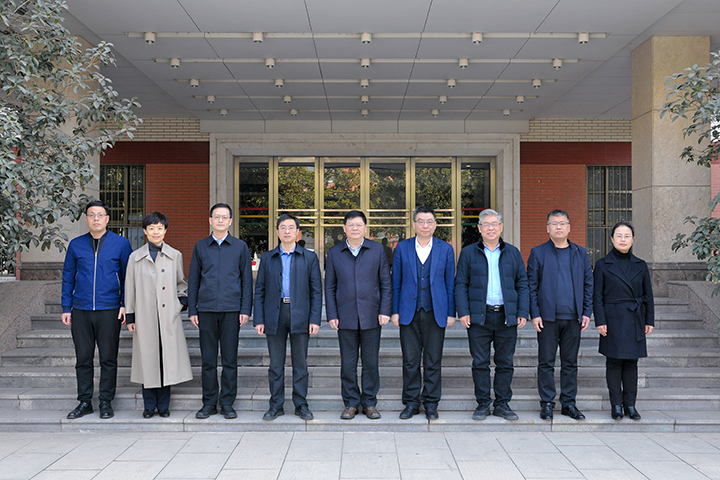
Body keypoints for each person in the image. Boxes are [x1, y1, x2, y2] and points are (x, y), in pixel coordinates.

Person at [61, 200, 133, 420]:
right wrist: (66, 307)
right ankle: (84, 402)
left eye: (100, 215)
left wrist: (124, 304)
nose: (96, 219)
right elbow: (68, 276)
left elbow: (127, 277)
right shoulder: (76, 245)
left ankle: (105, 402)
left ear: (107, 219)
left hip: (109, 309)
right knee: (83, 358)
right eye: (92, 215)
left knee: (108, 359)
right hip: (81, 309)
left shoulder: (121, 244)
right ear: (86, 219)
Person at [455, 208, 529, 421]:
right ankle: (483, 404)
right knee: (480, 363)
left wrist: (522, 311)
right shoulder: (468, 253)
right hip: (479, 316)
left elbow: (522, 283)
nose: (490, 228)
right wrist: (463, 311)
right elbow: (461, 284)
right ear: (479, 228)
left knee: (505, 362)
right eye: (486, 224)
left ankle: (502, 404)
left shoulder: (512, 252)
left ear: (501, 227)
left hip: (506, 316)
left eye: (494, 224)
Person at [253, 214, 322, 421]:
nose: (287, 231)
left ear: (297, 232)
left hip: (300, 313)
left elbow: (316, 291)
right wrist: (259, 319)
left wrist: (315, 319)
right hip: (275, 314)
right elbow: (260, 290)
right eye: (283, 227)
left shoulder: (309, 257)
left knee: (300, 364)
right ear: (277, 232)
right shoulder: (268, 258)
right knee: (276, 364)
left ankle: (301, 404)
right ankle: (276, 405)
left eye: (291, 227)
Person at [124, 212, 192, 419]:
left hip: (168, 316)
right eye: (151, 228)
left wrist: (179, 304)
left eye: (159, 228)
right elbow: (130, 288)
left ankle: (163, 405)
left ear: (165, 231)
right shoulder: (135, 257)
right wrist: (130, 316)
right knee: (147, 359)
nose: (156, 232)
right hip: (144, 317)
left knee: (166, 359)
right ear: (145, 231)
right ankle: (148, 405)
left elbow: (182, 283)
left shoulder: (175, 255)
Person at [188, 203, 253, 420]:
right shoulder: (200, 246)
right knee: (208, 360)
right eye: (217, 217)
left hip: (232, 310)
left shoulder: (240, 247)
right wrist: (192, 309)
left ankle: (226, 403)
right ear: (210, 220)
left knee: (229, 359)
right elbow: (194, 279)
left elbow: (246, 280)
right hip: (206, 310)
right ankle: (208, 403)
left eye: (225, 217)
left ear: (231, 221)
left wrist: (245, 309)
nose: (221, 220)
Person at [325, 210, 392, 420]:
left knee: (371, 363)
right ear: (344, 228)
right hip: (345, 316)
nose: (355, 228)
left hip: (372, 314)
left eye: (359, 224)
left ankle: (369, 403)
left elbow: (386, 283)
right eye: (351, 224)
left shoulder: (377, 250)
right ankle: (351, 403)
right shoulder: (334, 252)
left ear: (365, 228)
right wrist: (332, 314)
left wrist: (385, 310)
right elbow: (330, 286)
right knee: (348, 364)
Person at [527, 209, 593, 421]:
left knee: (570, 363)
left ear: (569, 227)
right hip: (547, 318)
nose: (558, 227)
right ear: (547, 228)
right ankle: (547, 403)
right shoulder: (538, 253)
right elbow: (531, 286)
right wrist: (534, 313)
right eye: (554, 223)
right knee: (546, 362)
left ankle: (568, 403)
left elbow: (588, 284)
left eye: (562, 223)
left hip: (573, 318)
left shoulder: (580, 253)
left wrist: (586, 312)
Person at [391, 206, 455, 420]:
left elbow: (450, 283)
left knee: (433, 360)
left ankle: (431, 403)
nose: (425, 225)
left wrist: (451, 312)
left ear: (435, 225)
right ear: (414, 224)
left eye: (429, 221)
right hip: (408, 312)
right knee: (410, 360)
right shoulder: (402, 247)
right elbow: (396, 281)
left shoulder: (446, 249)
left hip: (436, 312)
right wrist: (394, 311)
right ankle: (411, 402)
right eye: (421, 221)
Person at [594, 222, 654, 420]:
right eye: (618, 235)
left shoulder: (641, 265)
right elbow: (597, 296)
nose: (623, 239)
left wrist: (649, 320)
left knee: (631, 362)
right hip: (612, 319)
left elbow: (648, 295)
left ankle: (630, 405)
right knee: (613, 362)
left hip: (635, 318)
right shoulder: (602, 264)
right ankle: (616, 405)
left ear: (633, 239)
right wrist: (600, 320)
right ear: (612, 239)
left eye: (627, 236)